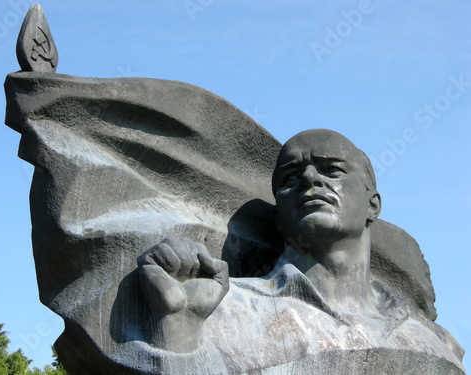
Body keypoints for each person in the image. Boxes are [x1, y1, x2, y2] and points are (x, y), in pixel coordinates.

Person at [137, 129, 464, 373]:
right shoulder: (223, 308)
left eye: (332, 170)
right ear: (278, 217)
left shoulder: (437, 342)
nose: (309, 178)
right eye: (291, 177)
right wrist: (178, 330)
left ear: (372, 204)